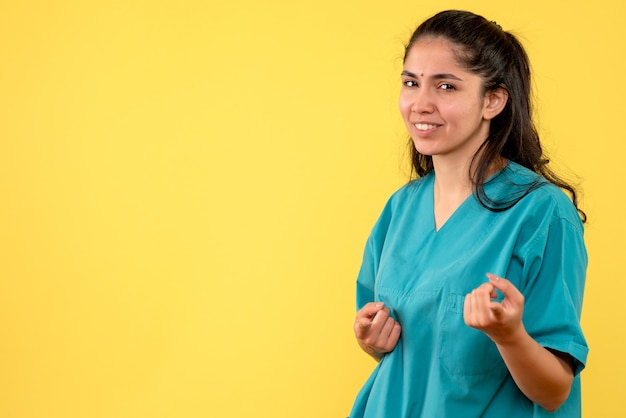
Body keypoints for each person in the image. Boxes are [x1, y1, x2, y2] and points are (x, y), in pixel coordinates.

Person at [349, 10, 588, 418]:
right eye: (411, 83)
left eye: (446, 86)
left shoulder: (542, 213)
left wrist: (509, 336)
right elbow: (425, 355)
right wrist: (373, 340)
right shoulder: (400, 208)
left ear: (492, 100)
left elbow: (554, 392)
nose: (420, 104)